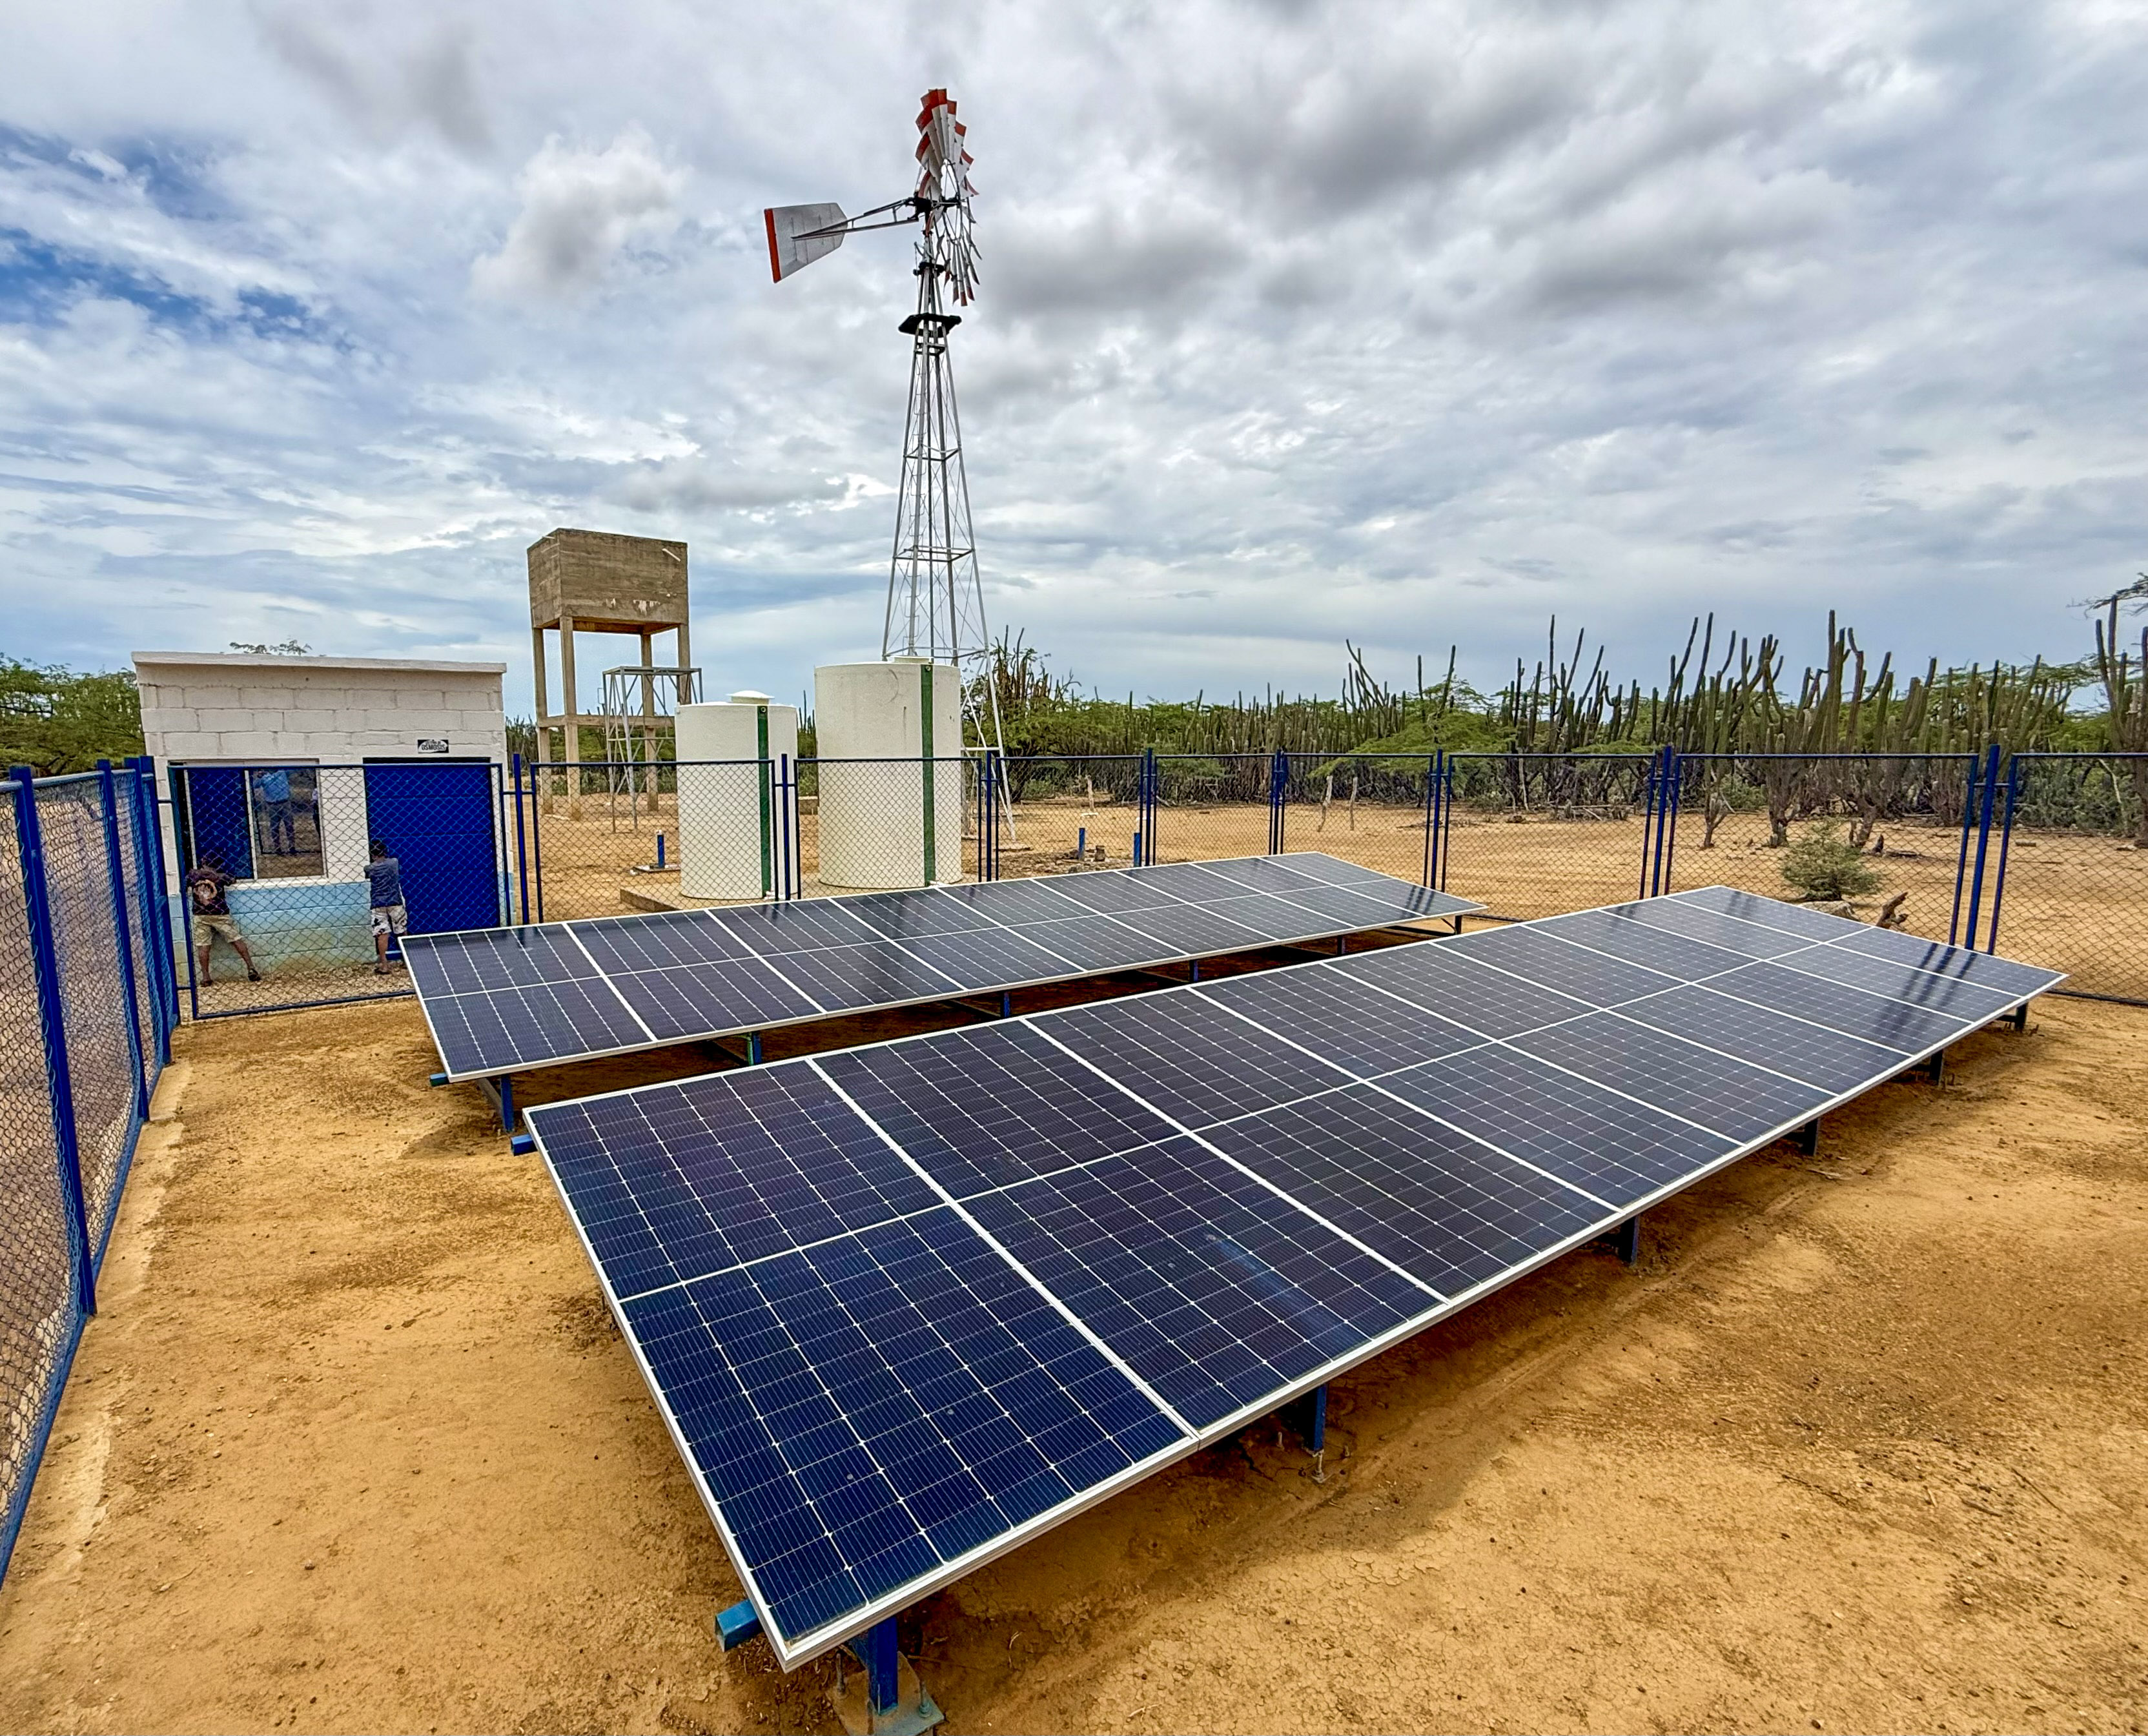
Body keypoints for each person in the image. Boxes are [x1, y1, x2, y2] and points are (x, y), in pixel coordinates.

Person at [186, 857, 261, 985]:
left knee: (203, 945)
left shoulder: (193, 875)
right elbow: (233, 880)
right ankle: (251, 967)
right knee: (236, 939)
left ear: (203, 863)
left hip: (201, 914)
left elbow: (184, 884)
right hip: (220, 914)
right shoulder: (220, 876)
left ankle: (206, 976)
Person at [366, 839, 407, 974]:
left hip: (378, 903)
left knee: (382, 933)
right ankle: (407, 961)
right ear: (385, 852)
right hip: (395, 901)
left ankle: (384, 965)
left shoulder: (370, 868)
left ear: (372, 854)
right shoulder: (394, 863)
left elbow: (369, 876)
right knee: (401, 929)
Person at [256, 766, 296, 854]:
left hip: (285, 803)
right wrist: (259, 776)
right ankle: (277, 848)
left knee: (289, 825)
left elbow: (294, 769)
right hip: (272, 805)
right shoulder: (263, 778)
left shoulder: (282, 772)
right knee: (274, 828)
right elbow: (255, 786)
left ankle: (292, 847)